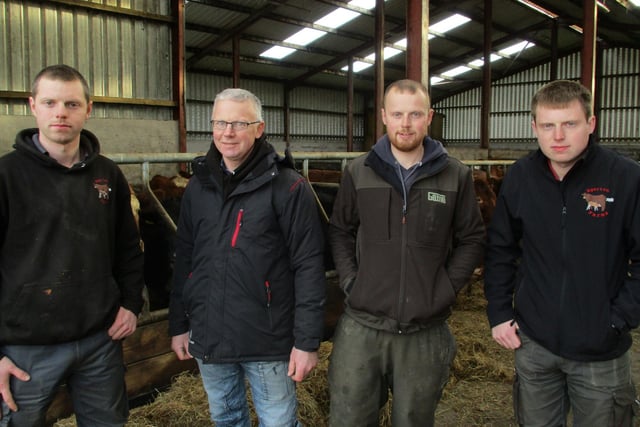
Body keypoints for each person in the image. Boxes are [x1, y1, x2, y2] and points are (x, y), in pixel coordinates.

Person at [328, 79, 485, 426]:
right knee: (349, 417)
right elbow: (340, 230)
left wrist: (445, 289)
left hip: (424, 330)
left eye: (415, 114)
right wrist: (352, 282)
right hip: (362, 325)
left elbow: (472, 237)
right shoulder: (358, 171)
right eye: (397, 114)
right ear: (383, 116)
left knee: (413, 419)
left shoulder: (455, 175)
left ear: (429, 117)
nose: (406, 123)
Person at [484, 79, 640, 426]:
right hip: (534, 344)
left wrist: (617, 319)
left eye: (569, 124)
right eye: (548, 125)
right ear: (534, 128)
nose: (558, 136)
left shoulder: (626, 178)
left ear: (591, 124)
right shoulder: (521, 177)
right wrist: (498, 312)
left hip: (600, 349)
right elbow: (500, 249)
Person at [169, 88, 326, 426]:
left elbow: (309, 266)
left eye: (240, 123)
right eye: (221, 122)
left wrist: (307, 341)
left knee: (278, 422)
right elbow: (185, 258)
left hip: (267, 338)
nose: (228, 132)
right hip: (210, 334)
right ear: (212, 126)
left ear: (259, 128)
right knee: (225, 418)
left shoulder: (288, 186)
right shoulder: (198, 186)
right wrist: (180, 324)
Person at [0, 64, 145, 426]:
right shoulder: (6, 176)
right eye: (50, 102)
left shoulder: (108, 175)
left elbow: (129, 247)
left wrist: (130, 304)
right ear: (33, 106)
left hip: (99, 341)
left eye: (71, 103)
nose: (60, 112)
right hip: (24, 348)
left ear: (88, 109)